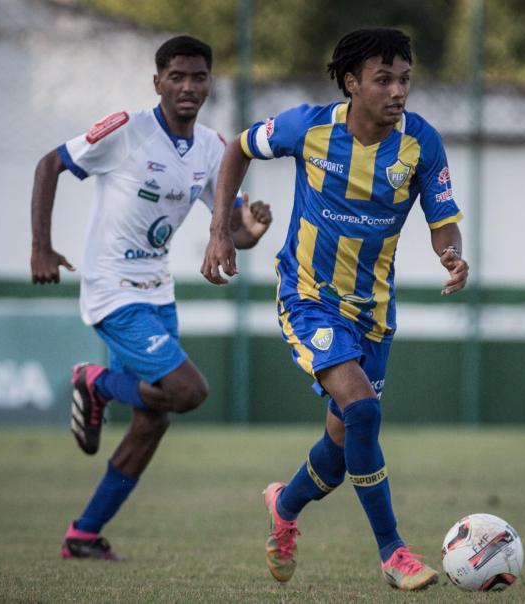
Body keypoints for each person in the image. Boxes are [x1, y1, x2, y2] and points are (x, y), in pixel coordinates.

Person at [201, 28, 468, 591]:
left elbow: (442, 219)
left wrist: (452, 256)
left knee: (343, 446)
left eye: (405, 80)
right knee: (364, 410)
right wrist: (220, 228)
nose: (398, 91)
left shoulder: (421, 143)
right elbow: (238, 148)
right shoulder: (308, 126)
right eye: (384, 80)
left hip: (373, 312)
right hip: (308, 298)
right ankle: (394, 552)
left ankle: (285, 505)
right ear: (352, 83)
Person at [30, 35, 271, 560]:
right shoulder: (125, 131)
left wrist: (247, 228)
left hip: (157, 291)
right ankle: (95, 383)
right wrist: (41, 246)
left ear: (210, 83)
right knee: (189, 391)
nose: (189, 86)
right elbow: (50, 164)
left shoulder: (211, 147)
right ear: (157, 82)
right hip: (112, 289)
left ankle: (84, 534)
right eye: (178, 77)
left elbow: (229, 229)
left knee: (154, 418)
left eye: (199, 77)